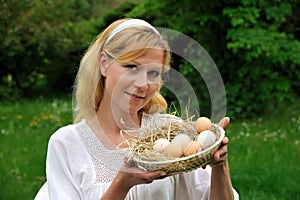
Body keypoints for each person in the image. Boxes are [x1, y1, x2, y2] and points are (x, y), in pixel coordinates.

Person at [35, 18, 239, 200]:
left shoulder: (173, 132)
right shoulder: (67, 144)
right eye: (131, 67)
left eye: (153, 73)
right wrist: (121, 184)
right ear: (104, 63)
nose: (143, 83)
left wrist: (219, 165)